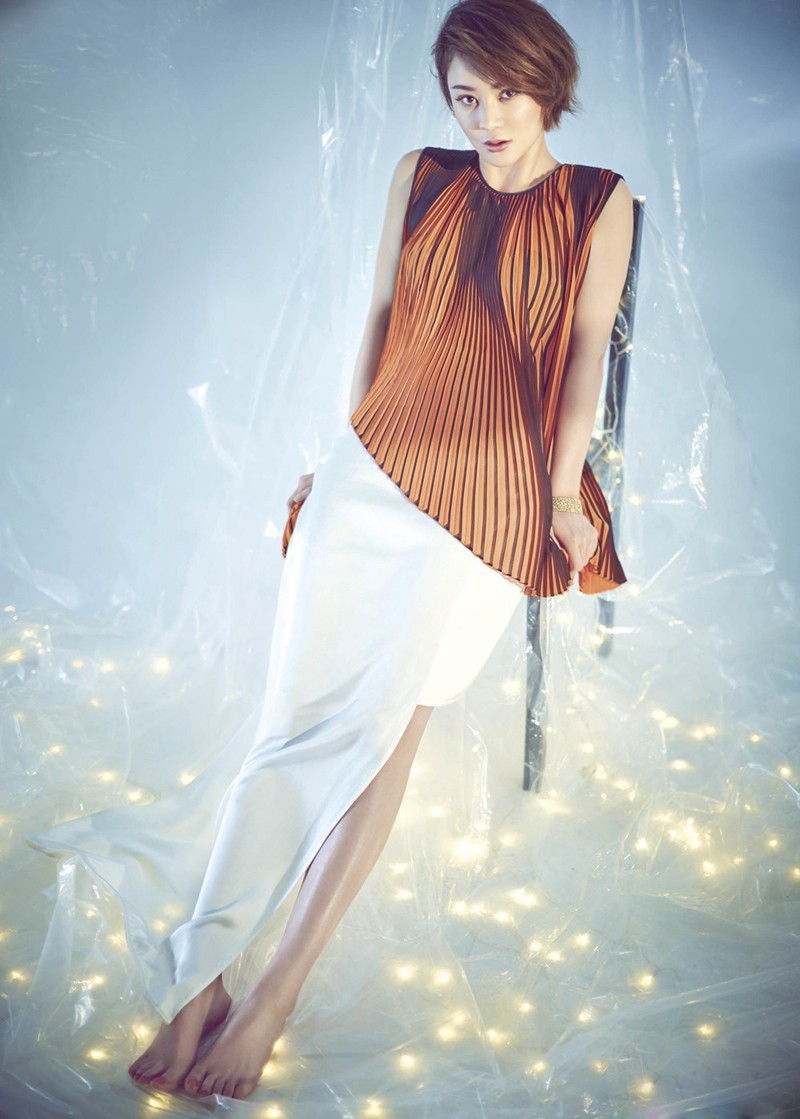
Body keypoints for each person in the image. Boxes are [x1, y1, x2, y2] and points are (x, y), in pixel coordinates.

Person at [25, 0, 633, 1103]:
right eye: (465, 96)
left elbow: (585, 347)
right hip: (373, 473)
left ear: (548, 85)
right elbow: (383, 316)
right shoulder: (420, 175)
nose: (486, 117)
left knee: (379, 737)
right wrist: (343, 456)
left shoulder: (600, 202)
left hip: (492, 496)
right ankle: (201, 977)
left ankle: (274, 993)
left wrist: (559, 492)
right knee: (285, 727)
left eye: (505, 92)